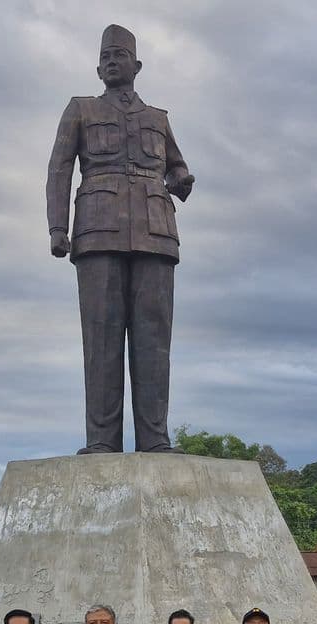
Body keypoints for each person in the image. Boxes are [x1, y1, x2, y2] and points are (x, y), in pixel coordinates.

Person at [46, 24, 195, 453]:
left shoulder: (158, 119)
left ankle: (155, 440)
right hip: (96, 230)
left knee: (153, 340)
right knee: (101, 338)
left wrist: (181, 177)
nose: (113, 62)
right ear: (97, 68)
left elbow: (175, 166)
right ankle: (102, 442)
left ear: (137, 65)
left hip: (155, 232)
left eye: (120, 56)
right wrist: (58, 228)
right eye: (106, 57)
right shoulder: (81, 108)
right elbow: (59, 169)